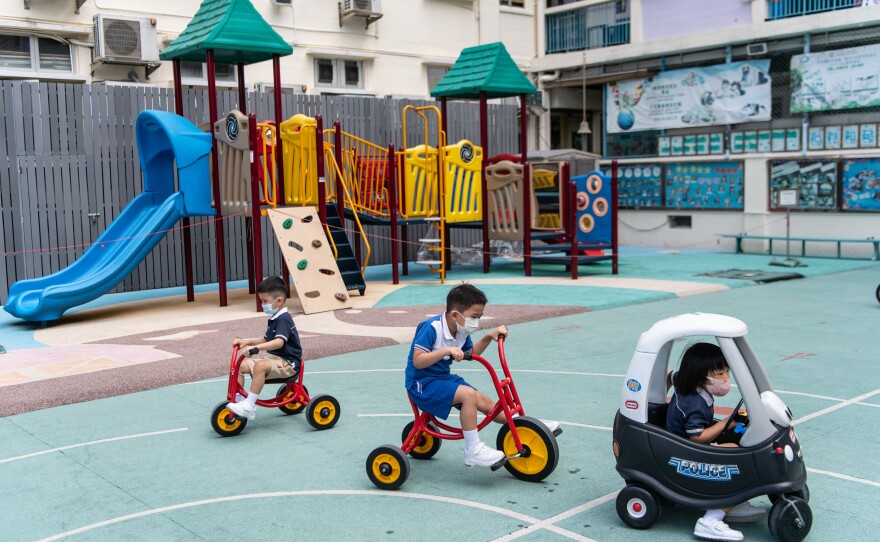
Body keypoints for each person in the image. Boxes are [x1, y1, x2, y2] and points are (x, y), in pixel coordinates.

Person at [405, 284, 559, 468]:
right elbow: (418, 361)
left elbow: (471, 353)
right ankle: (473, 450)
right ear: (455, 315)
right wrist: (446, 350)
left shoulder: (460, 331)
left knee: (485, 402)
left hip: (442, 379)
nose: (476, 322)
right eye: (474, 317)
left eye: (479, 317)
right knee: (468, 395)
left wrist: (488, 336)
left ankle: (529, 426)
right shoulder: (432, 328)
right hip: (421, 384)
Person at [666, 342, 767, 542]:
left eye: (727, 372)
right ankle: (712, 519)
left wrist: (660, 400)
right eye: (720, 373)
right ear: (701, 375)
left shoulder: (685, 380)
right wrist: (723, 425)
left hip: (684, 443)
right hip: (686, 450)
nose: (725, 378)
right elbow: (697, 436)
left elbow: (669, 374)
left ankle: (732, 501)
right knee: (737, 457)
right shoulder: (695, 403)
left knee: (735, 438)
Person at [227, 276, 302, 421]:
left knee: (260, 366)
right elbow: (267, 339)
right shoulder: (275, 317)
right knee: (240, 366)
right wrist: (246, 342)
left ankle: (249, 406)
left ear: (278, 301)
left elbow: (279, 342)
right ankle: (235, 401)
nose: (262, 304)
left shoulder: (284, 319)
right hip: (275, 359)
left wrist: (256, 348)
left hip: (289, 363)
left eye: (265, 301)